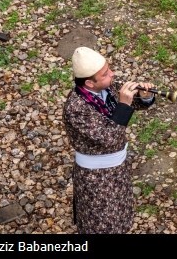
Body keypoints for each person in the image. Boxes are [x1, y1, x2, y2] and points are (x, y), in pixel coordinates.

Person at [62, 46, 156, 234]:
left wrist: (145, 97)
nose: (112, 74)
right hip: (96, 175)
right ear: (89, 83)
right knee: (100, 221)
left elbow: (131, 105)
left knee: (121, 213)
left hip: (118, 167)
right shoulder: (76, 107)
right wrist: (124, 103)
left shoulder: (107, 86)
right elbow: (108, 137)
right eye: (106, 74)